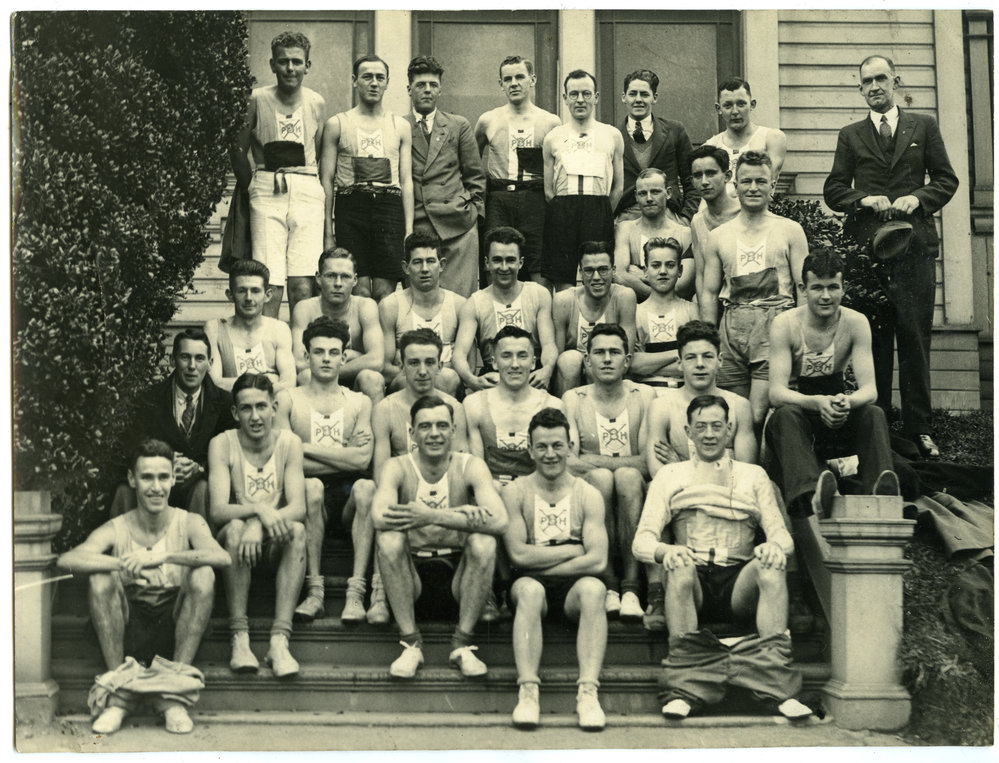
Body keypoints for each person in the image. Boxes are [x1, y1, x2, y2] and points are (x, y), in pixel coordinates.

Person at [633, 395, 811, 721]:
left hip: (738, 581)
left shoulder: (753, 475)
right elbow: (642, 541)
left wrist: (773, 548)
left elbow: (782, 537)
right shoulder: (670, 475)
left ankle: (778, 690)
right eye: (701, 427)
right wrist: (667, 550)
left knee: (771, 567)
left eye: (717, 426)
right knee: (680, 568)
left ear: (730, 430)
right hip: (695, 579)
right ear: (688, 430)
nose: (710, 434)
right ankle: (684, 690)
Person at [823, 55, 959, 458]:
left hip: (914, 249)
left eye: (881, 78)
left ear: (896, 81)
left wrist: (917, 199)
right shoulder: (851, 134)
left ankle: (919, 429)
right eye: (867, 81)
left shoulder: (924, 126)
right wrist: (863, 199)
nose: (875, 86)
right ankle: (878, 425)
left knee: (914, 339)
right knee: (875, 340)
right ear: (860, 89)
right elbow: (834, 189)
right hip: (868, 255)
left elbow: (947, 179)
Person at [58, 438, 231, 735]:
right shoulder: (119, 526)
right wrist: (120, 564)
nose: (156, 487)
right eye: (147, 477)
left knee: (204, 575)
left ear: (174, 479)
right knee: (101, 576)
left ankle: (173, 696)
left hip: (174, 623)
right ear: (132, 479)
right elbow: (68, 560)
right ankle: (118, 695)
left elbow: (222, 557)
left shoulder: (189, 521)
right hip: (130, 624)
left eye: (164, 477)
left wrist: (161, 556)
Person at [372, 395, 508, 678]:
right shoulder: (397, 467)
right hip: (412, 581)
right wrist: (462, 515)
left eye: (442, 426)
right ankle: (410, 644)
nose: (434, 434)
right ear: (412, 432)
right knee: (388, 539)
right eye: (425, 427)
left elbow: (500, 520)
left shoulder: (469, 465)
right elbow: (379, 516)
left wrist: (432, 516)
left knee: (484, 542)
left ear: (454, 430)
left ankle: (462, 644)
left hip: (460, 580)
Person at [349, 328, 471, 626]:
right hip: (395, 496)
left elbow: (460, 467)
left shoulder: (453, 408)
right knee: (368, 490)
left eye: (430, 362)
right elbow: (380, 471)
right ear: (401, 366)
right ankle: (369, 590)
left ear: (441, 365)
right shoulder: (386, 408)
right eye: (413, 362)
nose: (422, 370)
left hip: (434, 497)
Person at [767, 250, 899, 517]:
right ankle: (812, 494)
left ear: (843, 288)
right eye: (817, 288)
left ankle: (881, 494)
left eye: (832, 287)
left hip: (839, 411)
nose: (825, 296)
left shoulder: (856, 322)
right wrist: (815, 403)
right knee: (783, 416)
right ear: (803, 289)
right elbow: (776, 393)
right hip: (802, 414)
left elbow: (870, 391)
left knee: (873, 413)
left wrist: (844, 402)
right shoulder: (785, 324)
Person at [643, 321, 757, 632]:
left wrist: (682, 463)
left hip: (728, 499)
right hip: (678, 499)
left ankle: (795, 590)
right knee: (655, 489)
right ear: (678, 362)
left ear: (720, 360)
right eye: (691, 357)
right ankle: (656, 593)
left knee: (768, 488)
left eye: (708, 356)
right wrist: (703, 468)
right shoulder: (662, 406)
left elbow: (747, 468)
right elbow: (656, 466)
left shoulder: (738, 406)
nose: (700, 364)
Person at [503, 408, 609, 731]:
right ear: (530, 450)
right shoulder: (515, 491)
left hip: (573, 591)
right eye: (543, 447)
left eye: (557, 446)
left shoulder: (588, 493)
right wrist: (573, 549)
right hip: (528, 587)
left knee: (594, 588)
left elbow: (599, 561)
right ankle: (528, 691)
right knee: (531, 590)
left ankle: (588, 692)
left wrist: (545, 559)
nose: (550, 454)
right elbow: (517, 556)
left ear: (569, 445)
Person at [699, 150, 808, 430]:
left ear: (772, 186)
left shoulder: (790, 230)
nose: (753, 188)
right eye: (746, 181)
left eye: (761, 181)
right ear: (734, 186)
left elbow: (802, 287)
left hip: (775, 328)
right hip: (731, 330)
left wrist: (801, 335)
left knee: (757, 414)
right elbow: (710, 293)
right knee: (732, 414)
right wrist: (710, 339)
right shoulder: (718, 236)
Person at [208, 373, 307, 679]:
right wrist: (258, 511)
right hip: (235, 544)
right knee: (236, 529)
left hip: (273, 542)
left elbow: (299, 508)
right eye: (246, 408)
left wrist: (260, 526)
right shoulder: (222, 443)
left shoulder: (289, 443)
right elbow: (218, 511)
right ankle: (240, 637)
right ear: (235, 412)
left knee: (298, 532)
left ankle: (279, 641)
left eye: (262, 406)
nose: (255, 416)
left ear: (274, 407)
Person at [275, 317, 374, 623]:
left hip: (346, 499)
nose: (327, 359)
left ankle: (356, 593)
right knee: (311, 487)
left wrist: (301, 447)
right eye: (319, 352)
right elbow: (283, 459)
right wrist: (343, 453)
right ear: (306, 356)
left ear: (345, 357)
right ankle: (315, 591)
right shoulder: (288, 399)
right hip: (304, 494)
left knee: (367, 488)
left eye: (334, 352)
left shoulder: (360, 401)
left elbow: (362, 462)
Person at [230, 31, 326, 318]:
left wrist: (303, 183)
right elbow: (237, 149)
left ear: (308, 66)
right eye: (283, 61)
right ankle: (268, 346)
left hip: (306, 190)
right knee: (269, 279)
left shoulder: (316, 102)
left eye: (297, 61)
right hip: (266, 188)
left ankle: (301, 352)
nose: (290, 68)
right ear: (272, 64)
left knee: (303, 282)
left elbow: (316, 152)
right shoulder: (257, 98)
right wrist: (253, 188)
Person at [562, 324, 655, 621]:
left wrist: (593, 458)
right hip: (590, 491)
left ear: (627, 360)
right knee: (603, 479)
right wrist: (617, 463)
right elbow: (569, 462)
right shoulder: (573, 399)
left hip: (633, 489)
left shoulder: (645, 396)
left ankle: (630, 587)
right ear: (587, 361)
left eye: (614, 352)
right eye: (599, 352)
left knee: (626, 479)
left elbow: (647, 463)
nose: (606, 359)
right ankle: (608, 584)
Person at [112, 328, 236, 519]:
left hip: (198, 484)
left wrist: (199, 469)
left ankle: (200, 546)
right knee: (124, 490)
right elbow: (132, 445)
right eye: (185, 357)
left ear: (210, 363)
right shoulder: (149, 399)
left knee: (204, 488)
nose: (192, 366)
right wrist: (164, 463)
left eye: (200, 358)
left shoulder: (224, 403)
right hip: (156, 480)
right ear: (172, 360)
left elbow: (231, 455)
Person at [320, 54, 413, 301]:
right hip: (351, 207)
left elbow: (406, 180)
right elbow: (327, 180)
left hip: (389, 208)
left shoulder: (400, 125)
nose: (373, 83)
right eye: (367, 77)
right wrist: (328, 231)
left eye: (379, 77)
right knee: (358, 289)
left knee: (385, 291)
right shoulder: (337, 123)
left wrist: (409, 229)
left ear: (387, 82)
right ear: (354, 81)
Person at [475, 55, 562, 285]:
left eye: (520, 77)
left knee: (537, 266)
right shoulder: (488, 120)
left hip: (535, 200)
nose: (514, 83)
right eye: (508, 78)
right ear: (500, 83)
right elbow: (472, 164)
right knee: (494, 262)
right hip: (499, 199)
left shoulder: (550, 122)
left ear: (532, 79)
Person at [406, 55, 486, 297]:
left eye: (433, 85)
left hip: (458, 226)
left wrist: (473, 212)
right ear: (409, 89)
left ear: (440, 89)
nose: (427, 90)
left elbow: (475, 175)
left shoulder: (458, 125)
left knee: (461, 302)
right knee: (423, 303)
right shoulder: (399, 126)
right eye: (421, 85)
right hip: (419, 225)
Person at [542, 69, 624, 291]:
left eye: (586, 94)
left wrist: (603, 210)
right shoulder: (553, 137)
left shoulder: (612, 135)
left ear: (596, 97)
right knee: (563, 280)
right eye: (574, 94)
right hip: (563, 210)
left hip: (598, 209)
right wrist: (563, 209)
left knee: (597, 275)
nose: (580, 100)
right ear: (565, 98)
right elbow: (548, 191)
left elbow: (618, 187)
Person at [452, 226, 557, 393]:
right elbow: (459, 354)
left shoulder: (538, 294)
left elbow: (549, 344)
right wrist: (472, 380)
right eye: (497, 260)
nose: (504, 267)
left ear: (520, 262)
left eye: (510, 260)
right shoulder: (474, 303)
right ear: (487, 263)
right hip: (494, 375)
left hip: (531, 371)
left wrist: (547, 369)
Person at [464, 325, 564, 491]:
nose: (515, 364)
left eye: (522, 356)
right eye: (506, 356)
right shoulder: (474, 405)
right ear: (494, 362)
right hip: (490, 495)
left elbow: (555, 472)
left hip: (535, 494)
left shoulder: (552, 406)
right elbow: (476, 471)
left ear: (533, 363)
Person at [290, 248, 385, 402]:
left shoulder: (365, 306)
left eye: (345, 277)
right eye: (331, 276)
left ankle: (371, 427)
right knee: (306, 376)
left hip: (354, 381)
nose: (338, 283)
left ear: (355, 280)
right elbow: (300, 363)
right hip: (317, 381)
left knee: (372, 378)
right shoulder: (305, 308)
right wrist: (353, 357)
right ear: (319, 278)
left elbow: (377, 360)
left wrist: (329, 368)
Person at [379, 231, 466, 397]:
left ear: (442, 265)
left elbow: (466, 363)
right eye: (418, 262)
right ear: (406, 267)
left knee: (448, 377)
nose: (424, 269)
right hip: (404, 389)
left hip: (449, 390)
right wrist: (423, 376)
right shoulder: (391, 306)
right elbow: (384, 366)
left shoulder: (459, 305)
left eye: (430, 261)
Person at [615, 69, 699, 225]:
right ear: (623, 97)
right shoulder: (613, 135)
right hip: (626, 218)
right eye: (632, 94)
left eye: (644, 94)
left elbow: (692, 180)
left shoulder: (675, 130)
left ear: (655, 98)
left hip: (668, 217)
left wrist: (686, 218)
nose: (638, 99)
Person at [552, 241, 637, 395]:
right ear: (581, 273)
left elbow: (626, 354)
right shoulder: (564, 300)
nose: (596, 277)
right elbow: (558, 358)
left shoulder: (624, 296)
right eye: (589, 270)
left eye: (603, 270)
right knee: (569, 360)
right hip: (571, 377)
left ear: (613, 270)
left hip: (611, 370)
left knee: (598, 362)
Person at [204, 260, 297, 393]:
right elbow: (215, 383)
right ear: (230, 295)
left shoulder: (279, 329)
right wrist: (269, 380)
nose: (248, 298)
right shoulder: (215, 329)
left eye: (255, 291)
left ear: (268, 295)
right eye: (242, 291)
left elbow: (289, 383)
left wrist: (232, 382)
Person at [614, 168, 695, 300]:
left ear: (668, 193)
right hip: (635, 308)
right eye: (642, 193)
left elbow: (682, 286)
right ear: (636, 196)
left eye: (655, 192)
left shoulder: (685, 233)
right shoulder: (625, 229)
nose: (649, 198)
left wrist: (643, 275)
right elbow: (619, 275)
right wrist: (663, 286)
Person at [630, 238, 699, 390]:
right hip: (647, 393)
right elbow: (632, 365)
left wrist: (647, 365)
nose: (663, 271)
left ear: (680, 270)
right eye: (655, 265)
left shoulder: (693, 311)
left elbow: (697, 363)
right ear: (645, 271)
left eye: (670, 265)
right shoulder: (634, 313)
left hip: (686, 393)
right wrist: (679, 353)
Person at [704, 77, 787, 197]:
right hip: (719, 214)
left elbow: (765, 180)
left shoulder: (771, 138)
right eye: (728, 105)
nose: (735, 111)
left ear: (752, 105)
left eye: (741, 104)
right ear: (718, 109)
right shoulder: (711, 146)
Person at [688, 145, 741, 298]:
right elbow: (701, 274)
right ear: (692, 181)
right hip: (713, 300)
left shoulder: (744, 212)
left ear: (727, 176)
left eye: (711, 173)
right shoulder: (697, 221)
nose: (704, 181)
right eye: (698, 175)